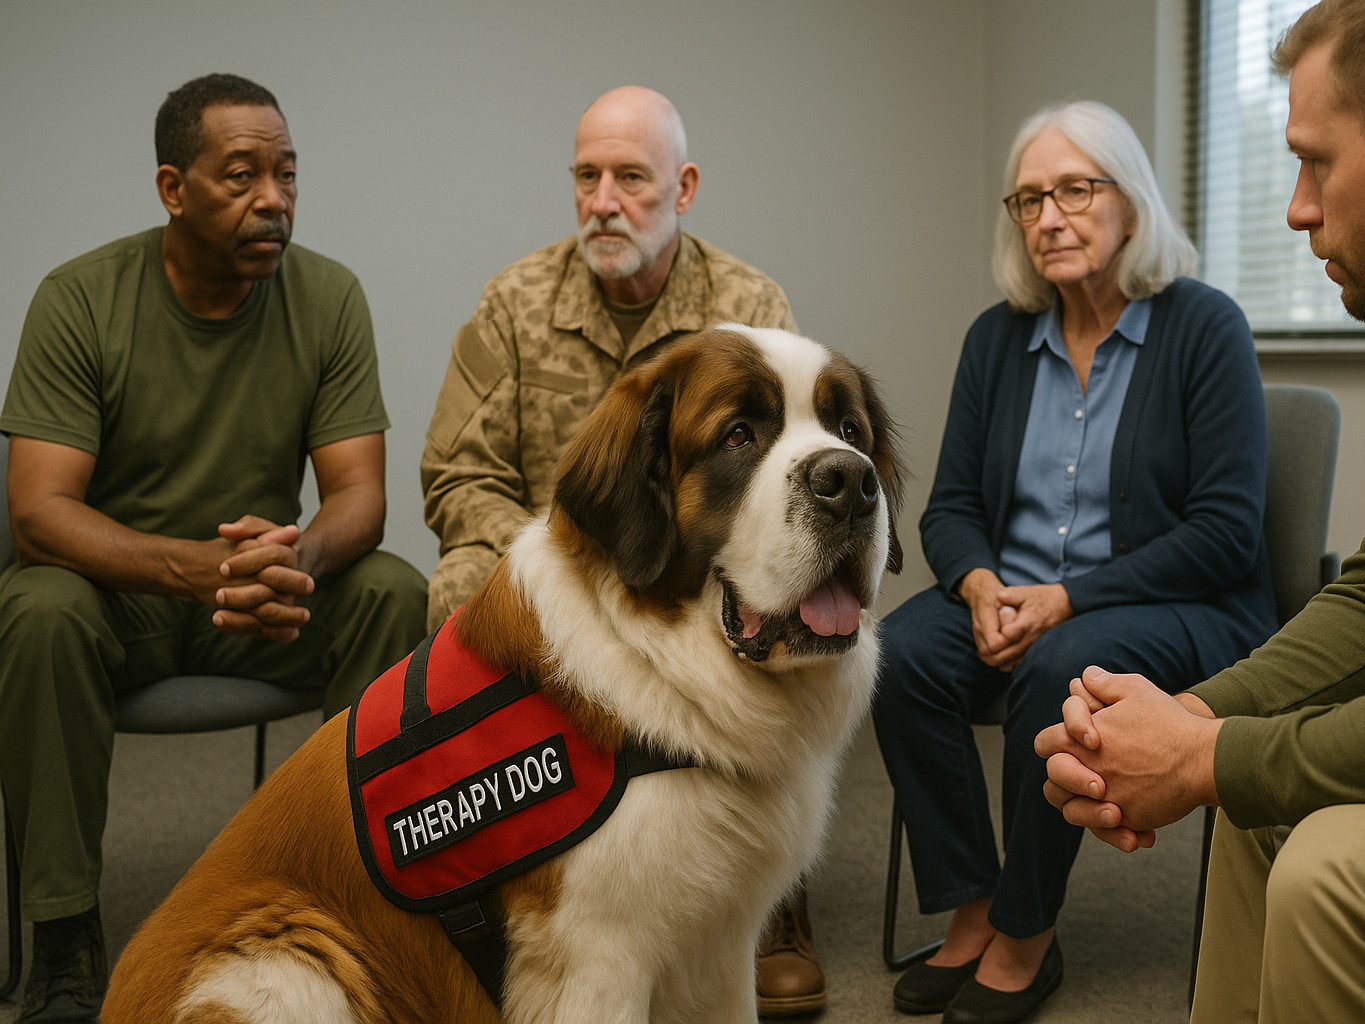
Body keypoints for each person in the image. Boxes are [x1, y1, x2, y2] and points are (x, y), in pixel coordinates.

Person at [1035, 1, 1365, 1021]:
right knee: (1264, 811)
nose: (1298, 209)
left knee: (1336, 872)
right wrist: (1192, 720)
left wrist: (1203, 758)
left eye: (1315, 163)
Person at [0, 74, 427, 1024]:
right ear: (172, 188)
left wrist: (299, 562)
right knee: (36, 607)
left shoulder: (327, 296)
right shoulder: (79, 299)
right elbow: (38, 513)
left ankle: (355, 892)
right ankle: (64, 937)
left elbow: (362, 493)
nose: (272, 198)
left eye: (285, 174)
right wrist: (193, 571)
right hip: (123, 603)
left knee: (391, 589)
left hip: (264, 603)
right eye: (241, 176)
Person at [417, 85, 820, 1016]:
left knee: (780, 611)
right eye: (587, 177)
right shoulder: (515, 301)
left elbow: (784, 494)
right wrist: (549, 572)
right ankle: (512, 874)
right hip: (548, 575)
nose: (604, 200)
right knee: (455, 593)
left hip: (692, 586)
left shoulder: (746, 306)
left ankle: (769, 908)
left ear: (681, 187)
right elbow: (457, 472)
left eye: (630, 179)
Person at [870, 100, 1274, 1024]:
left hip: (1184, 600)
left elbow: (1224, 535)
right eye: (1028, 200)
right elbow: (954, 508)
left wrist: (1065, 598)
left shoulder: (1203, 328)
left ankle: (1024, 933)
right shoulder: (997, 339)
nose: (1049, 217)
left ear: (1128, 202)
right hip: (1013, 595)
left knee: (1063, 670)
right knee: (896, 654)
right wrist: (977, 586)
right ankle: (970, 907)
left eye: (1076, 190)